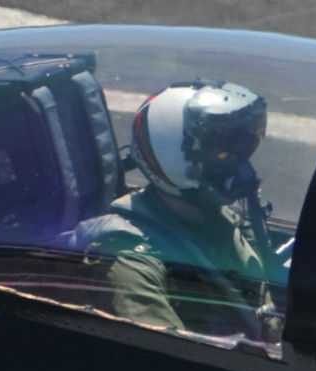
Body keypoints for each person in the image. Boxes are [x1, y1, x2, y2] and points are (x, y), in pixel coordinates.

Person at [78, 81, 280, 340]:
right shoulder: (130, 260)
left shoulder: (219, 220)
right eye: (223, 155)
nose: (244, 170)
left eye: (243, 153)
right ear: (173, 158)